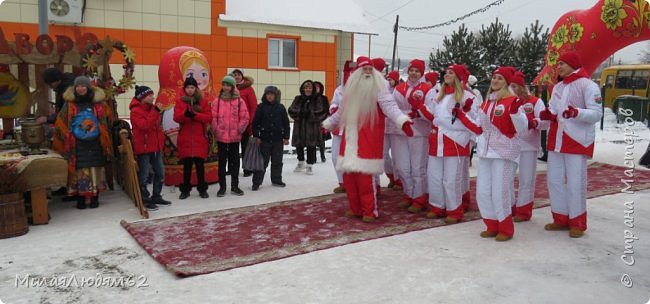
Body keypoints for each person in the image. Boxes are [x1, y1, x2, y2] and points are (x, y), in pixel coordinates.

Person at [322, 56, 413, 223]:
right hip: (349, 140)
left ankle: (369, 211)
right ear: (357, 72)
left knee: (365, 179)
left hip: (368, 139)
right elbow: (341, 112)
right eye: (365, 69)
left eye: (370, 69)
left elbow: (390, 107)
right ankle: (356, 209)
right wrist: (328, 124)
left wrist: (402, 120)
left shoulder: (379, 90)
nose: (368, 72)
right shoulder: (350, 92)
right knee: (350, 178)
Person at [454, 66, 528, 241]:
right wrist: (461, 116)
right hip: (486, 152)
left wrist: (517, 112)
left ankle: (505, 228)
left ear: (507, 83)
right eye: (494, 77)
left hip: (504, 153)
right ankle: (492, 224)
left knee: (500, 191)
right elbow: (479, 128)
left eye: (500, 78)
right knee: (483, 191)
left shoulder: (512, 102)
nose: (495, 81)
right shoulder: (487, 102)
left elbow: (522, 130)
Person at [539, 51, 603, 238]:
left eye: (561, 64)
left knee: (576, 182)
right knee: (554, 180)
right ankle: (560, 218)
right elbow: (553, 108)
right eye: (557, 64)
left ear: (573, 64)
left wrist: (577, 112)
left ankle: (577, 222)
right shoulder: (558, 87)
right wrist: (549, 114)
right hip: (557, 140)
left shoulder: (589, 86)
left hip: (576, 140)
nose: (558, 67)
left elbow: (596, 113)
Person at [419, 64, 477, 224]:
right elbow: (434, 118)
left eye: (451, 72)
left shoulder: (467, 97)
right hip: (436, 142)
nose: (447, 74)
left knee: (451, 180)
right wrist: (421, 108)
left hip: (455, 143)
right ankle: (438, 206)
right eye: (446, 72)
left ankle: (454, 210)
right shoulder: (440, 96)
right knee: (435, 177)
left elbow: (473, 122)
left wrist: (444, 122)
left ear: (458, 77)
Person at [54, 76, 113, 209]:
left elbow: (107, 120)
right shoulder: (69, 105)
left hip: (96, 142)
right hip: (76, 143)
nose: (80, 89)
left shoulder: (99, 104)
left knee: (95, 168)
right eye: (78, 86)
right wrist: (67, 135)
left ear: (88, 88)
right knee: (79, 171)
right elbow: (61, 123)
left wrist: (102, 134)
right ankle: (81, 198)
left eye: (83, 86)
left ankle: (94, 197)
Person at [390, 59, 433, 213]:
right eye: (411, 70)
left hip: (419, 132)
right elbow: (392, 108)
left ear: (422, 73)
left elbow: (430, 111)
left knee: (417, 166)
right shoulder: (399, 88)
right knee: (401, 166)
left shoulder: (427, 89)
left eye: (417, 71)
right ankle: (409, 193)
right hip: (400, 130)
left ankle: (420, 197)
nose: (414, 73)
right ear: (408, 71)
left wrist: (418, 113)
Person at [510, 71, 548, 222]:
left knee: (526, 179)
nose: (512, 88)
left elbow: (546, 122)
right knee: (507, 179)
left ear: (521, 86)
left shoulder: (535, 102)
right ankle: (510, 207)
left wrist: (535, 123)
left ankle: (524, 211)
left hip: (528, 146)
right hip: (510, 145)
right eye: (510, 86)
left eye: (514, 86)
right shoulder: (506, 102)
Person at [129, 85, 172, 211]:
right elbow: (145, 126)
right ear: (142, 97)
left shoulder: (152, 109)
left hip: (155, 147)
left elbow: (157, 125)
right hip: (144, 148)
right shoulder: (136, 111)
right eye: (149, 95)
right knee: (144, 175)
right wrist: (156, 112)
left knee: (160, 172)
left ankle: (156, 196)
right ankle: (144, 199)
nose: (153, 97)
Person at [174, 75, 212, 199]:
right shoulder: (180, 101)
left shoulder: (203, 101)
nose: (190, 89)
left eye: (192, 87)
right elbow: (176, 117)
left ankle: (202, 189)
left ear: (196, 88)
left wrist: (195, 115)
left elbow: (208, 117)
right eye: (188, 87)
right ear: (184, 89)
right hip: (185, 138)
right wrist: (185, 115)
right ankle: (185, 190)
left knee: (200, 166)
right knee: (187, 166)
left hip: (199, 138)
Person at [211, 75, 249, 197]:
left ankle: (235, 186)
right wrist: (216, 129)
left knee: (235, 162)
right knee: (221, 162)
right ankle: (222, 187)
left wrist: (239, 129)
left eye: (228, 85)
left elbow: (245, 117)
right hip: (221, 137)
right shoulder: (217, 101)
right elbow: (213, 117)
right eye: (224, 85)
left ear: (233, 87)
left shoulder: (239, 101)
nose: (226, 87)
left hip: (234, 137)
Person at [251, 86, 290, 190]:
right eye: (268, 94)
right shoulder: (261, 107)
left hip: (278, 140)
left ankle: (276, 179)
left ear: (275, 95)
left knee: (277, 161)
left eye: (272, 94)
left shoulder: (281, 107)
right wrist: (257, 136)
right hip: (264, 140)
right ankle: (256, 182)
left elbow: (286, 123)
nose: (270, 96)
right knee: (262, 162)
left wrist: (286, 136)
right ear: (265, 95)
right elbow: (255, 124)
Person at [288, 80, 328, 175]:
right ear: (302, 89)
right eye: (306, 88)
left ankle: (309, 165)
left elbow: (322, 112)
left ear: (313, 89)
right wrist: (299, 113)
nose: (307, 90)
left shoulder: (317, 99)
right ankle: (301, 162)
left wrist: (310, 114)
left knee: (311, 146)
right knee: (299, 145)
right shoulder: (298, 98)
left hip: (312, 126)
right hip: (299, 126)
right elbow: (291, 110)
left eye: (309, 88)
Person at [231, 69, 258, 177]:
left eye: (238, 75)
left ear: (242, 76)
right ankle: (232, 168)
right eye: (235, 75)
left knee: (246, 146)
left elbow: (253, 106)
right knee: (233, 147)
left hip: (245, 123)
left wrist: (251, 121)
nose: (237, 77)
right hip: (232, 123)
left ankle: (247, 168)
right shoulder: (229, 88)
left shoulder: (248, 88)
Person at [384, 70, 402, 190]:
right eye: (387, 79)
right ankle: (390, 176)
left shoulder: (399, 91)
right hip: (384, 129)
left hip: (396, 128)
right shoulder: (382, 92)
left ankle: (398, 179)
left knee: (397, 155)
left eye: (391, 79)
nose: (388, 81)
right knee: (383, 155)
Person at [313, 81, 331, 163]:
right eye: (315, 87)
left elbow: (327, 109)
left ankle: (322, 155)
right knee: (312, 140)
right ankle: (313, 157)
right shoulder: (310, 98)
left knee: (321, 140)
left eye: (318, 87)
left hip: (322, 121)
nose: (316, 89)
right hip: (312, 122)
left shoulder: (324, 98)